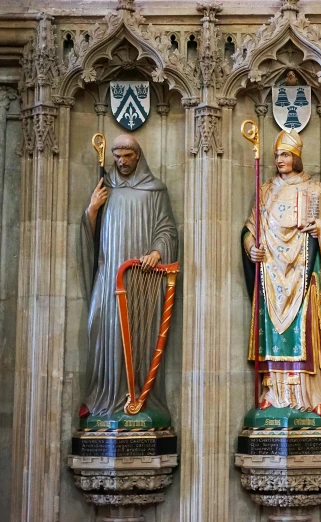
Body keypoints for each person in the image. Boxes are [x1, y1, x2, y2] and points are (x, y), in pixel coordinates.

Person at [79, 134, 178, 420]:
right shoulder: (105, 188)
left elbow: (167, 230)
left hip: (141, 278)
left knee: (139, 337)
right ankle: (101, 396)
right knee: (100, 327)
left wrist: (157, 253)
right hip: (110, 275)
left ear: (138, 156)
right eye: (117, 156)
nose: (122, 162)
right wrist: (93, 209)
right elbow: (90, 236)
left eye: (128, 156)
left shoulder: (155, 189)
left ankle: (137, 396)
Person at [241, 129, 321, 418]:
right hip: (272, 274)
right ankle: (273, 392)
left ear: (296, 157)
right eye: (276, 156)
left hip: (303, 271)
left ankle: (313, 394)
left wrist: (320, 229)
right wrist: (250, 247)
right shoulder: (266, 191)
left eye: (284, 155)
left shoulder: (316, 189)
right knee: (273, 334)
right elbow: (250, 228)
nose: (279, 160)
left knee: (307, 330)